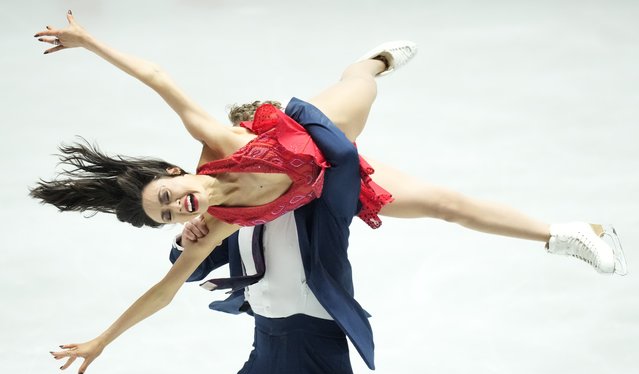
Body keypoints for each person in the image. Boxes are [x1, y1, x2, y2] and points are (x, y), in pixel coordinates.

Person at [31, 11, 626, 275]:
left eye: (167, 195)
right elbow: (166, 288)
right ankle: (567, 234)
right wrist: (102, 341)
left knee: (360, 83)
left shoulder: (215, 143)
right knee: (446, 206)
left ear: (172, 171)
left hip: (316, 131)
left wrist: (89, 43)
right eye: (166, 215)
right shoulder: (218, 221)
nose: (178, 207)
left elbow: (157, 78)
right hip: (338, 177)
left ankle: (376, 58)